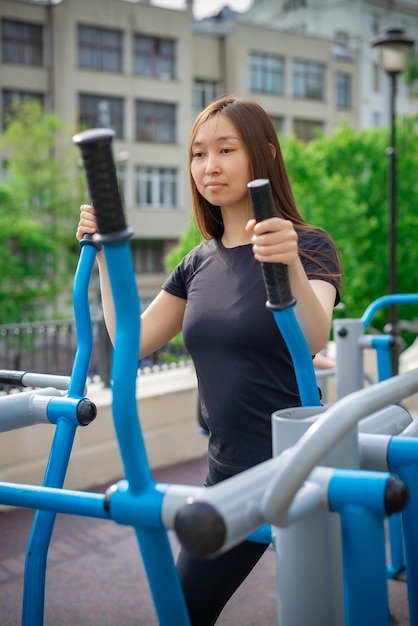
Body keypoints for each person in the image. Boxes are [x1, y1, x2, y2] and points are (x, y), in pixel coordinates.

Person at [76, 95, 342, 625]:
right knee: (184, 610)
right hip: (228, 473)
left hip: (298, 467)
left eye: (226, 149)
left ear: (263, 155)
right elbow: (132, 338)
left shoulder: (307, 245)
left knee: (327, 608)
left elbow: (313, 333)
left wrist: (285, 259)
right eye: (198, 154)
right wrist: (106, 251)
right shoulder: (198, 262)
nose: (209, 166)